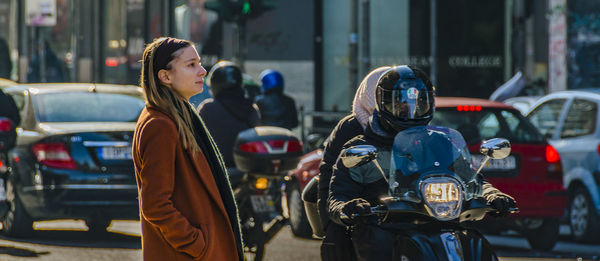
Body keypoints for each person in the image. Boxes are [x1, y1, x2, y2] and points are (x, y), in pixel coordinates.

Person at [327, 65, 516, 260]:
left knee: (475, 245)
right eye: (399, 103)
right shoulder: (360, 147)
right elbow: (338, 195)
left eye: (419, 103)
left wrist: (493, 195)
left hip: (439, 223)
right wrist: (350, 207)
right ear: (382, 103)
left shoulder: (440, 143)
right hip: (385, 227)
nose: (410, 110)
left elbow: (471, 178)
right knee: (377, 244)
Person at [133, 37, 243, 261]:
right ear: (165, 76)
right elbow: (155, 204)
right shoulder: (160, 125)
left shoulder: (177, 116)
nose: (202, 71)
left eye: (199, 63)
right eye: (191, 64)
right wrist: (196, 244)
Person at [318, 66, 390, 261]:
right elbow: (329, 178)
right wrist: (335, 223)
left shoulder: (410, 128)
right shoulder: (350, 127)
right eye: (385, 95)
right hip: (361, 212)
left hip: (403, 213)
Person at [197, 60, 260, 168]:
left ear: (214, 85)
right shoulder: (252, 108)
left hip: (216, 170)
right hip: (246, 169)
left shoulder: (207, 108)